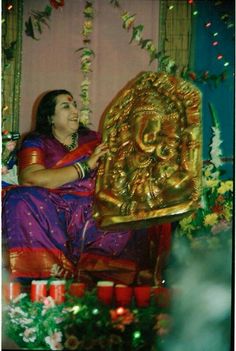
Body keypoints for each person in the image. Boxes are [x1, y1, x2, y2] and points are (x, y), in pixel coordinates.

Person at [2, 89, 150, 286]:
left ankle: (96, 277)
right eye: (66, 106)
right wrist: (85, 166)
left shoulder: (94, 140)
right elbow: (31, 178)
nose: (74, 110)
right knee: (20, 198)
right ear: (50, 117)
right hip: (53, 210)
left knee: (130, 207)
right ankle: (48, 275)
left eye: (74, 105)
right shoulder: (37, 141)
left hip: (93, 208)